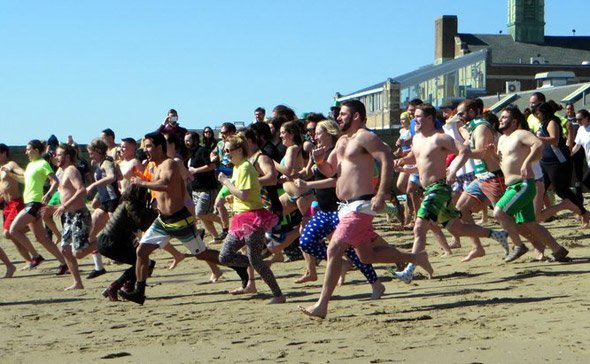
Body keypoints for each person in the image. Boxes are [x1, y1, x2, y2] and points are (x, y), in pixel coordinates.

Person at [299, 100, 433, 319]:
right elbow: (331, 170)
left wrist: (381, 193)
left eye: (343, 114)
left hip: (361, 205)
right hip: (344, 207)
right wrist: (321, 161)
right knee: (367, 256)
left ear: (356, 116)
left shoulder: (365, 137)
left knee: (334, 249)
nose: (339, 118)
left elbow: (387, 159)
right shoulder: (342, 140)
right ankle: (416, 257)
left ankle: (322, 305)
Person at [119, 132, 248, 305]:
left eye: (149, 146)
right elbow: (152, 188)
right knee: (141, 252)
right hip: (162, 220)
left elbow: (165, 184)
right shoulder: (151, 165)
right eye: (144, 146)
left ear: (159, 147)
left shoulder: (169, 163)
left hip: (180, 220)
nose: (145, 150)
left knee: (202, 254)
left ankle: (240, 264)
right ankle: (139, 292)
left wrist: (141, 183)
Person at [392, 104, 509, 282]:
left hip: (439, 188)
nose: (414, 119)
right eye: (414, 116)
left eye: (418, 116)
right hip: (428, 188)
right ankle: (496, 234)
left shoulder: (441, 138)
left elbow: (464, 151)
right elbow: (417, 158)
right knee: (457, 228)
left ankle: (410, 269)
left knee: (419, 227)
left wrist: (453, 170)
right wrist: (402, 161)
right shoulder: (416, 139)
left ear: (430, 119)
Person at [491, 105, 570, 262]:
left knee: (499, 212)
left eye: (504, 117)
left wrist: (527, 163)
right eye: (501, 117)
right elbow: (503, 163)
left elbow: (538, 144)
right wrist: (491, 155)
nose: (500, 119)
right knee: (529, 223)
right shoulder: (501, 139)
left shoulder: (521, 134)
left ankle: (518, 246)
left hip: (524, 184)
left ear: (514, 121)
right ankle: (558, 250)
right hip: (512, 185)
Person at [217, 134, 286, 304]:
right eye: (225, 150)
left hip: (253, 218)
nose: (226, 153)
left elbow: (245, 194)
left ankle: (278, 294)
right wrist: (231, 198)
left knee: (251, 259)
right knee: (225, 256)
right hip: (241, 217)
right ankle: (259, 264)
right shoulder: (238, 167)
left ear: (239, 150)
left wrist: (226, 182)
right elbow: (242, 194)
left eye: (228, 150)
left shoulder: (246, 167)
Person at [454, 99, 507, 261]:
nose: (459, 117)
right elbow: (467, 142)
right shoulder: (473, 127)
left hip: (493, 177)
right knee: (461, 208)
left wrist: (462, 150)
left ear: (472, 112)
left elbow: (482, 153)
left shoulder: (482, 127)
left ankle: (541, 245)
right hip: (481, 178)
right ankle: (477, 247)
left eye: (461, 113)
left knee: (506, 217)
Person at [7, 140, 67, 271]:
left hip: (35, 203)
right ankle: (64, 264)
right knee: (41, 238)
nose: (26, 152)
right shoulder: (30, 165)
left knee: (13, 230)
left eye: (28, 149)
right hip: (29, 202)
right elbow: (25, 180)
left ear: (36, 150)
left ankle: (36, 256)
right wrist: (11, 174)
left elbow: (55, 181)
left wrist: (49, 194)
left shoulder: (43, 164)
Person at [49, 143, 92, 290]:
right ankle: (77, 282)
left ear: (67, 156)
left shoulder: (72, 170)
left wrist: (64, 206)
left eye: (59, 154)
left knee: (78, 253)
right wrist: (54, 207)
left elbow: (82, 190)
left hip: (80, 214)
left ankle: (103, 242)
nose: (56, 157)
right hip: (68, 216)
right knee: (66, 250)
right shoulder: (61, 172)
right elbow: (65, 196)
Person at [0, 143, 32, 271]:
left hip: (16, 203)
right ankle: (29, 260)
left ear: (3, 153)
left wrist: (14, 173)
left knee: (8, 233)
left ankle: (31, 227)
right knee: (12, 236)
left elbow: (22, 172)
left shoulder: (10, 164)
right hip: (6, 205)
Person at [211, 122, 237, 241]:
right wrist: (213, 156)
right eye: (221, 133)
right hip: (225, 177)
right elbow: (213, 152)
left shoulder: (238, 143)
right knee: (219, 203)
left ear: (232, 132)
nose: (222, 135)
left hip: (236, 176)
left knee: (235, 205)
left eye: (225, 133)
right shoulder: (220, 143)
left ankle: (236, 230)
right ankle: (226, 229)